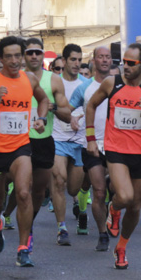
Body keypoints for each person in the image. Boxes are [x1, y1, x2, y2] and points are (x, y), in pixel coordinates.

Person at [0, 36, 50, 267]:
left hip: (20, 147)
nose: (14, 61)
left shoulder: (30, 78)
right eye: (9, 56)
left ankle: (23, 249)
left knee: (24, 193)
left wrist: (41, 118)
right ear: (0, 58)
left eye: (17, 55)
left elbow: (42, 100)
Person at [83, 43, 141, 269]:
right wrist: (90, 138)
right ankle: (113, 208)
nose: (125, 67)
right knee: (126, 196)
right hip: (116, 149)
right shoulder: (112, 83)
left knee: (135, 207)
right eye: (123, 62)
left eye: (130, 63)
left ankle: (121, 246)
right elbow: (90, 105)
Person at [23, 37, 72, 246]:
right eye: (30, 52)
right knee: (19, 186)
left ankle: (28, 223)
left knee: (37, 189)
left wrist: (52, 108)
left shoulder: (53, 80)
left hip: (43, 140)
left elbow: (67, 115)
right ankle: (3, 217)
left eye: (38, 52)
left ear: (43, 56)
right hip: (17, 140)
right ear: (24, 55)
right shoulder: (15, 78)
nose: (34, 56)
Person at [68, 46, 114, 251]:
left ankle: (113, 214)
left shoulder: (120, 85)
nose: (104, 60)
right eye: (100, 57)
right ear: (94, 61)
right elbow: (68, 109)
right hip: (92, 144)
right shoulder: (84, 88)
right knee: (98, 191)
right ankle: (103, 233)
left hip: (116, 146)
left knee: (118, 192)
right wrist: (70, 117)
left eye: (107, 57)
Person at [51, 44, 90, 240]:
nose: (77, 63)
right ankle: (62, 227)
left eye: (79, 60)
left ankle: (81, 209)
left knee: (74, 188)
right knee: (59, 181)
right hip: (57, 138)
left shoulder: (86, 84)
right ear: (64, 61)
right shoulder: (54, 83)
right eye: (73, 59)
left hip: (79, 141)